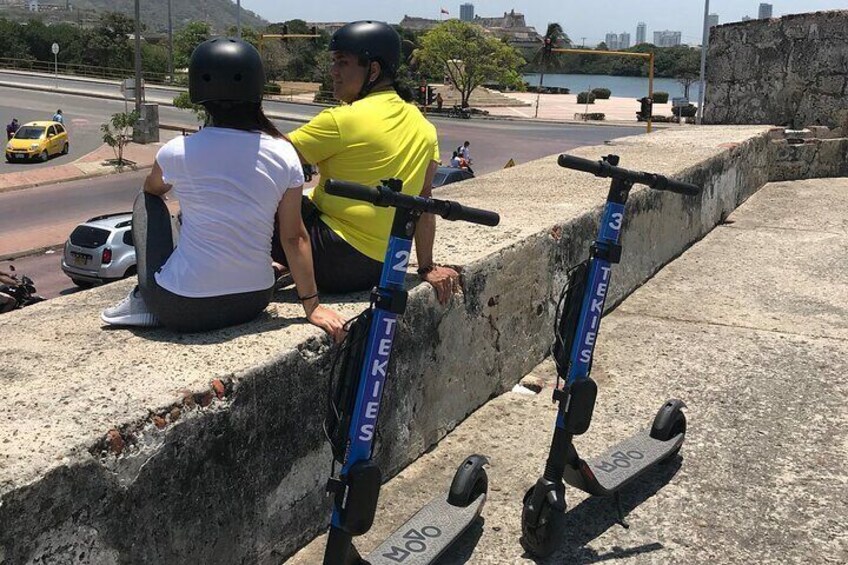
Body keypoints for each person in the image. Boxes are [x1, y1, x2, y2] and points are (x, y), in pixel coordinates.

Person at [101, 38, 345, 339]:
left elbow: (153, 189)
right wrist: (312, 305)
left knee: (146, 200)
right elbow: (294, 237)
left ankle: (143, 299)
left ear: (198, 92)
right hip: (254, 299)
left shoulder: (177, 151)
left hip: (181, 307)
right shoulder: (284, 153)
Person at [272, 21, 459, 303]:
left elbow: (266, 160)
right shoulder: (424, 126)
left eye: (342, 62)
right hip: (382, 266)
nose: (333, 71)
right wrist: (426, 267)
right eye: (333, 62)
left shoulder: (340, 119)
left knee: (261, 191)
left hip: (333, 262)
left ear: (373, 70)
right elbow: (424, 203)